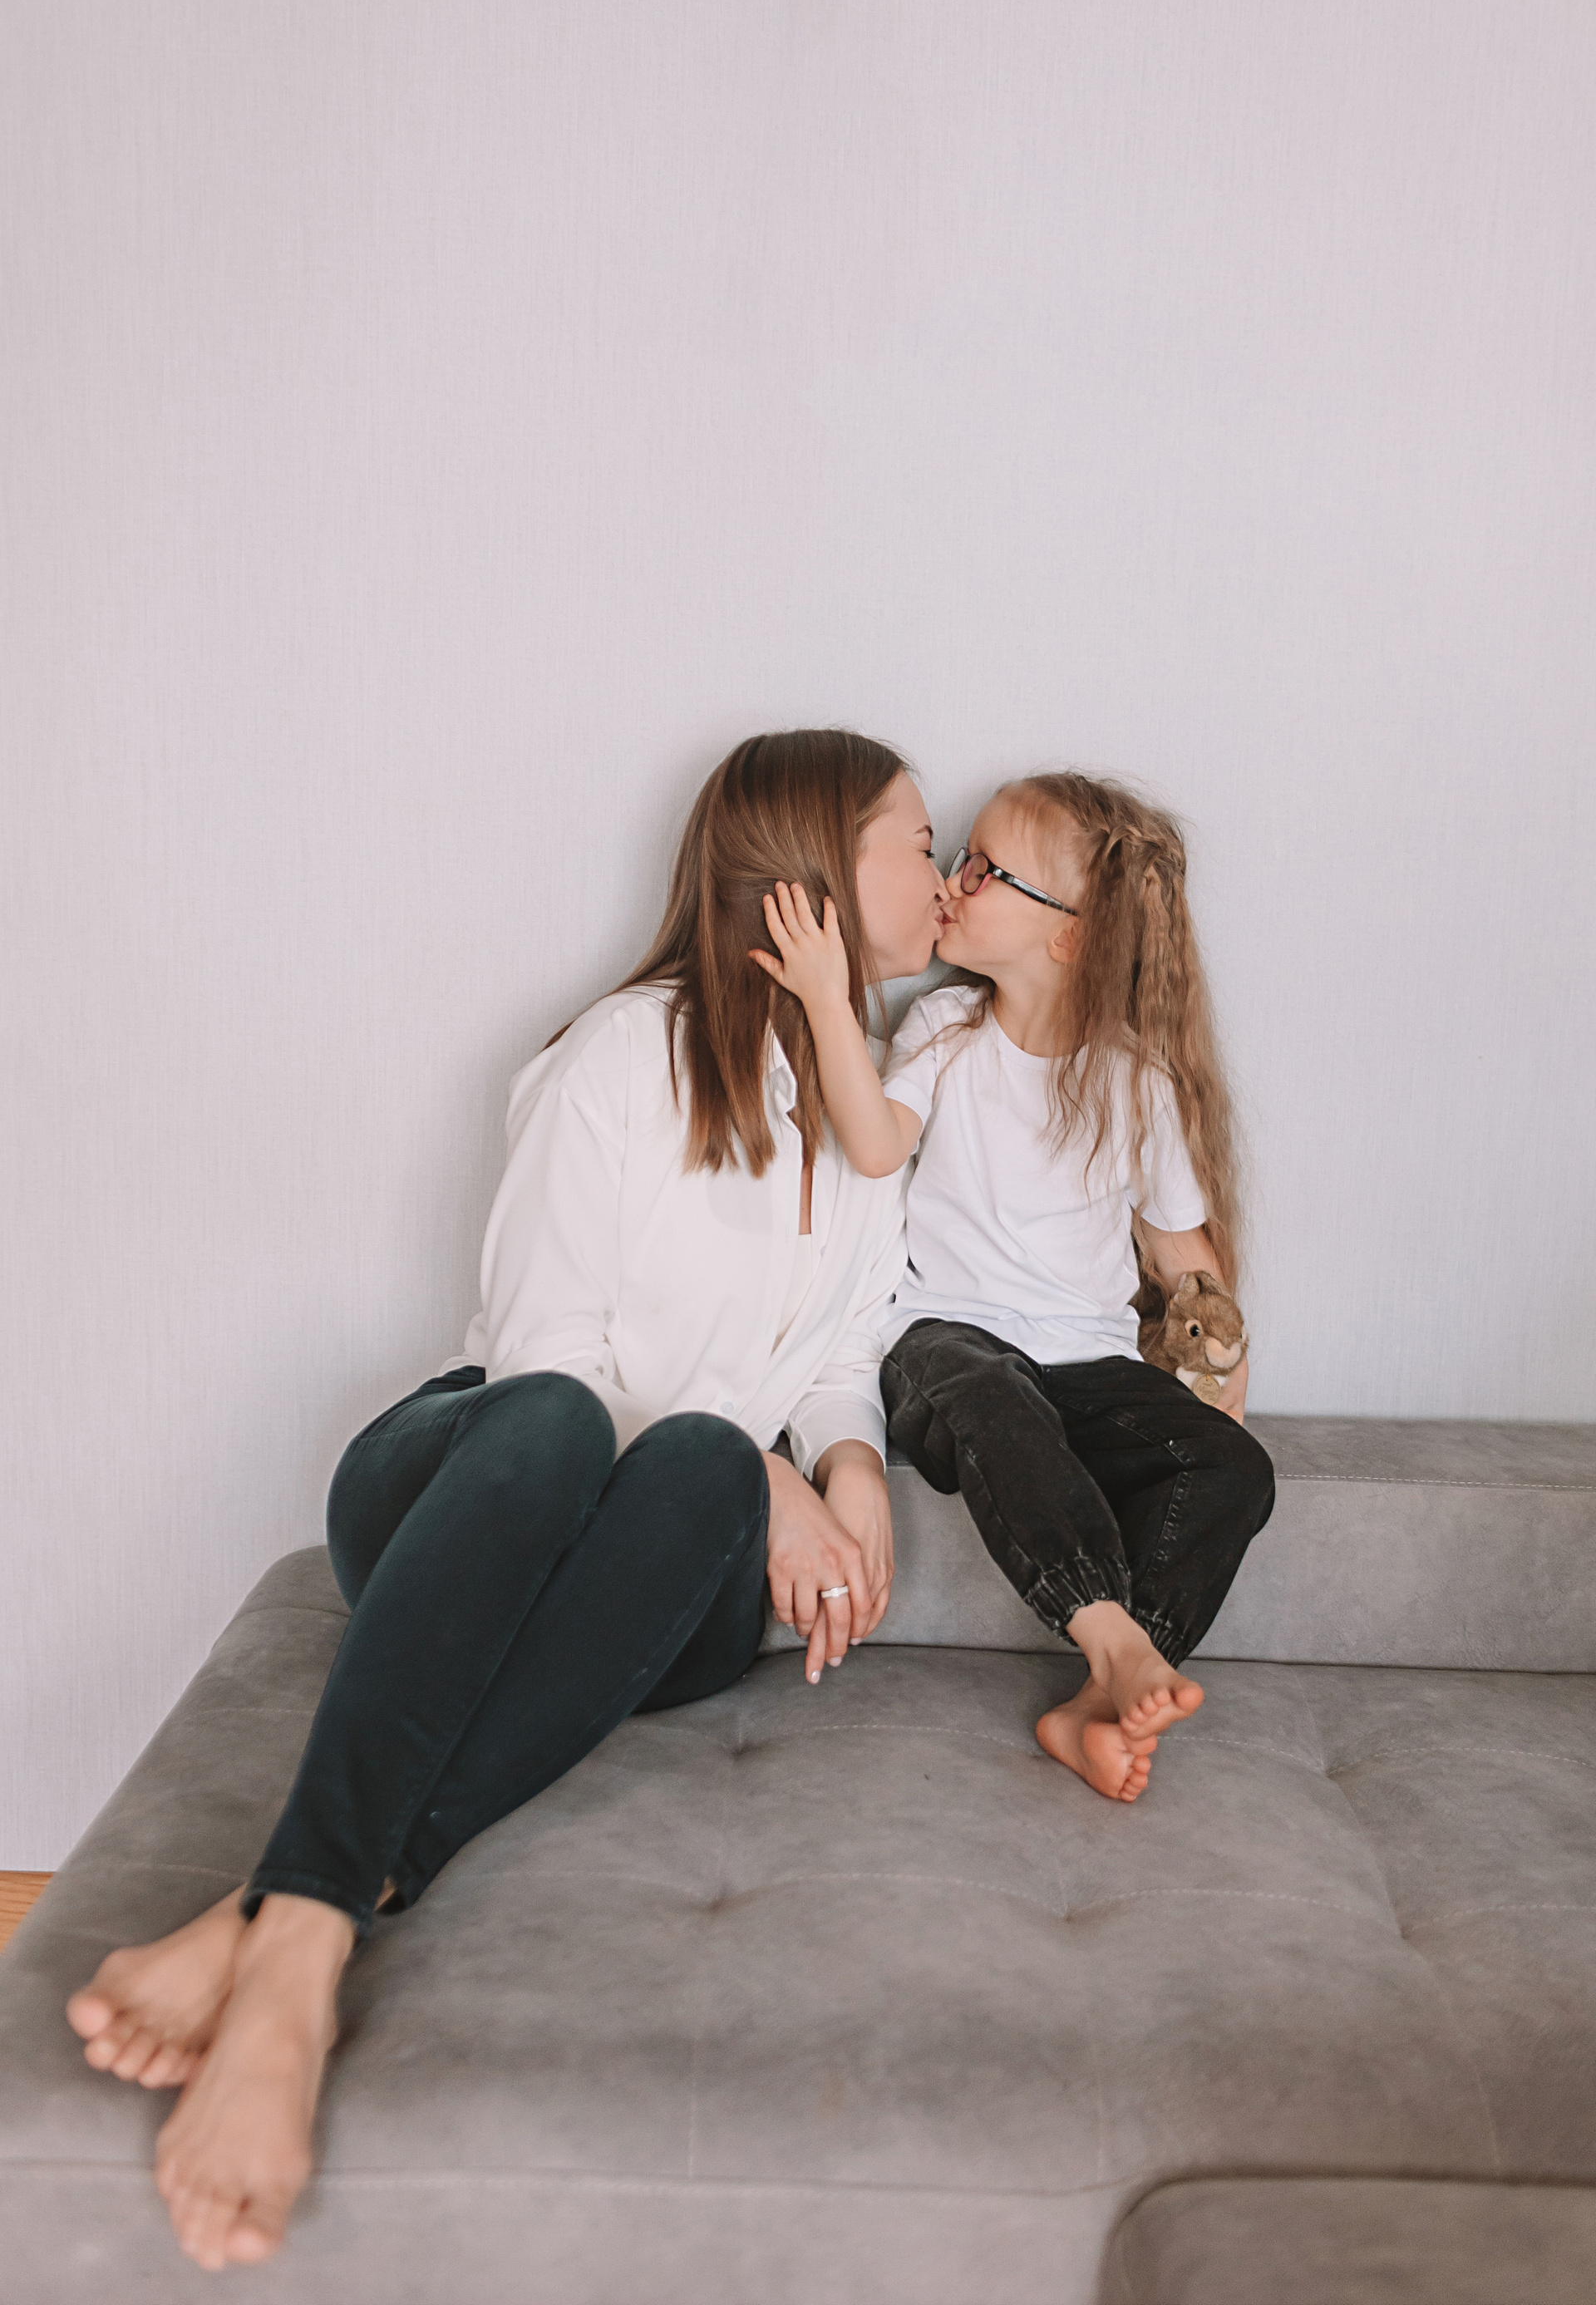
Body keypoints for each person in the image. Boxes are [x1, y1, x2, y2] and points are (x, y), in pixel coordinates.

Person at [64, 728, 951, 2272]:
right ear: (812, 868)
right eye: (919, 842)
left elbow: (840, 1350)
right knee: (566, 1424)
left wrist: (851, 1466)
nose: (940, 877)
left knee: (696, 1469)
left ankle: (271, 1915)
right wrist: (772, 1474)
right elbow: (553, 1357)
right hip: (475, 1494)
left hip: (650, 1569)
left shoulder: (869, 1110)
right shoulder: (624, 1054)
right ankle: (305, 1955)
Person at [751, 769, 1275, 1808]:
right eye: (959, 856)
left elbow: (1189, 1270)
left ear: (1072, 938)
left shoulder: (1138, 1083)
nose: (952, 879)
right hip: (945, 1343)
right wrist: (823, 996)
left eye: (986, 870)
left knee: (1237, 1470)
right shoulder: (946, 1028)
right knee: (997, 1395)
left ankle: (1094, 1704)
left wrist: (1213, 1406)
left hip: (1086, 1361)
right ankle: (1115, 1641)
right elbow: (873, 1143)